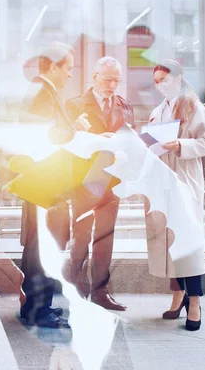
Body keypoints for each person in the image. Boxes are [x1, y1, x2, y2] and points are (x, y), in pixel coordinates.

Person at [18, 42, 89, 328]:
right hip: (45, 186)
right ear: (53, 67)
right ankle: (38, 310)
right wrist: (77, 128)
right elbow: (47, 136)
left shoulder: (45, 93)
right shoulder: (41, 94)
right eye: (68, 68)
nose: (71, 75)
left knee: (39, 246)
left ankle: (38, 306)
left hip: (43, 186)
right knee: (41, 249)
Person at [147, 59, 205, 331]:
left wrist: (181, 145)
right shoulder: (156, 111)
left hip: (184, 182)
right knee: (168, 242)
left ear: (177, 78)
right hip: (161, 184)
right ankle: (177, 294)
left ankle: (195, 300)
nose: (159, 85)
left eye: (164, 79)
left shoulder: (193, 107)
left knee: (189, 243)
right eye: (155, 81)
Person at [63, 56, 135, 311]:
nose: (113, 85)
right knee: (81, 236)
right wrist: (96, 139)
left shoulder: (125, 107)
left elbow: (130, 140)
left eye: (117, 80)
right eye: (108, 79)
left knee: (105, 238)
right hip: (85, 181)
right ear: (94, 76)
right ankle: (73, 288)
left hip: (112, 180)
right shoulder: (74, 106)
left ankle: (100, 292)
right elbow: (67, 143)